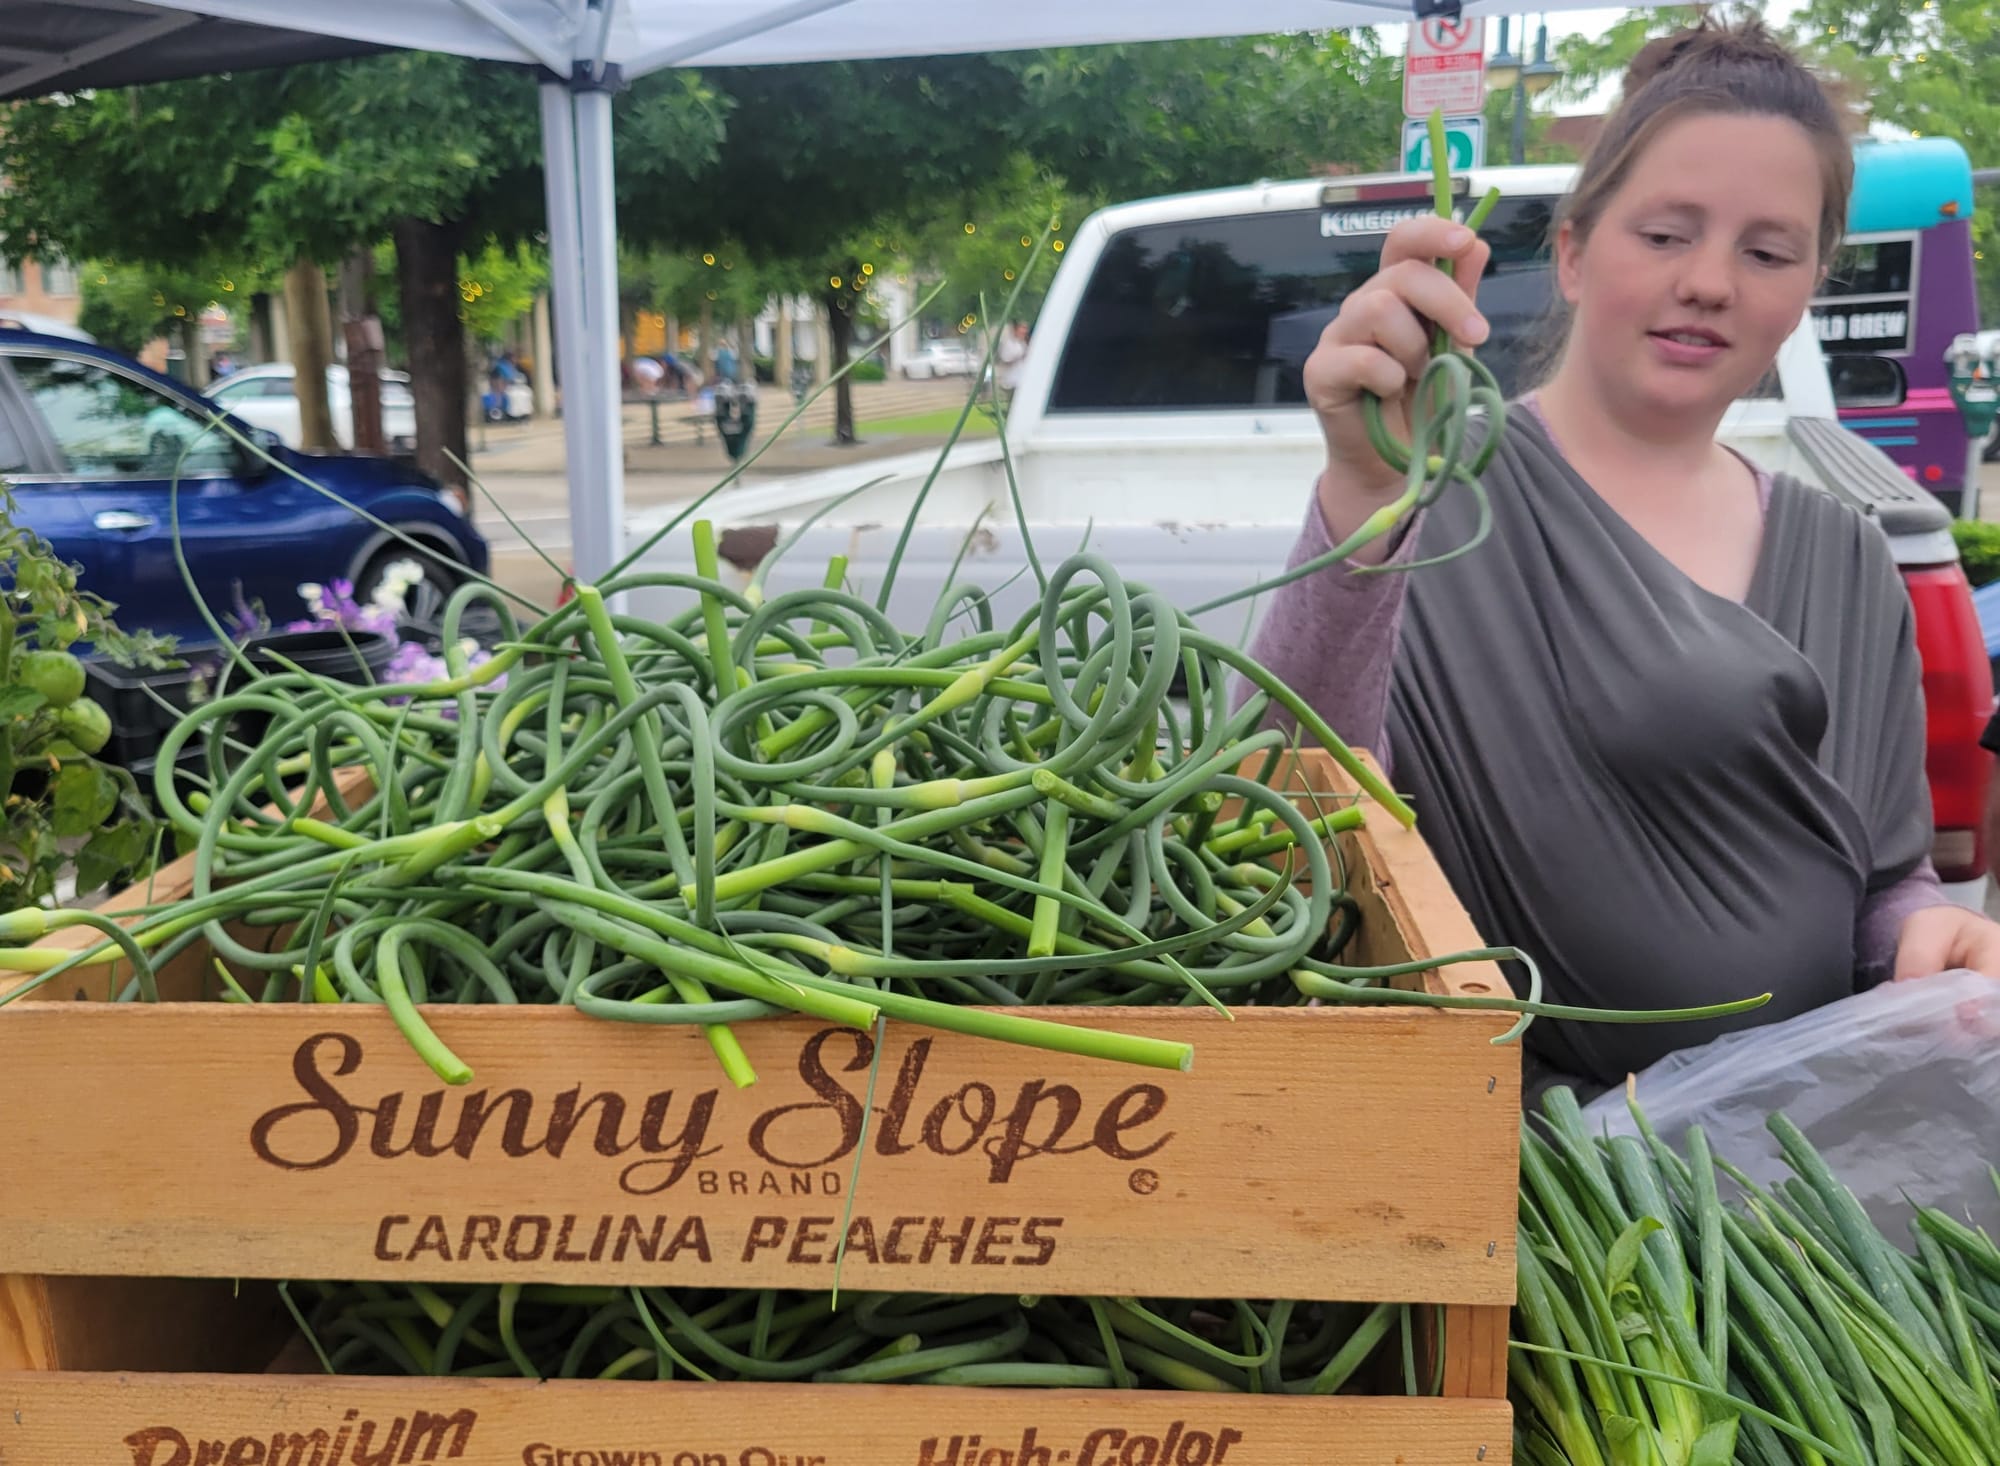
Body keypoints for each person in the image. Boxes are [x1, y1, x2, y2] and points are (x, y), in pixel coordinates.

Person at [1244, 17, 2000, 1107]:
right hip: (1518, 1167)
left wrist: (1925, 936)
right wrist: (1363, 494)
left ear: (1808, 287)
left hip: (1780, 1196)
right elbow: (1272, 812)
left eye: (1765, 250)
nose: (1707, 281)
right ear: (1571, 250)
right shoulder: (1435, 494)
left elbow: (1885, 881)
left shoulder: (1845, 554)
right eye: (1663, 233)